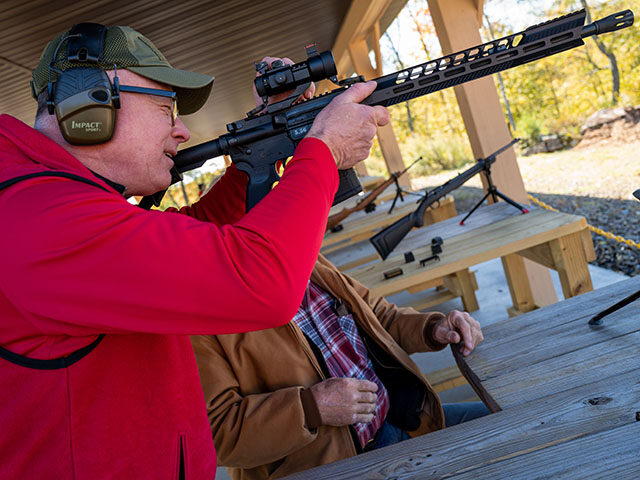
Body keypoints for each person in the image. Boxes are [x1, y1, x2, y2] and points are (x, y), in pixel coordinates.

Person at [0, 23, 389, 479]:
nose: (182, 131)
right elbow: (264, 286)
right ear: (88, 102)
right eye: (167, 109)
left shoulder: (46, 202)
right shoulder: (38, 220)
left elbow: (184, 238)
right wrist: (324, 150)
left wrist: (266, 148)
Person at [192, 254, 488, 480]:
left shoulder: (308, 260)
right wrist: (311, 408)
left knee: (508, 421)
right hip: (337, 468)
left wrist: (434, 327)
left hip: (400, 423)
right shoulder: (203, 318)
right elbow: (216, 435)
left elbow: (380, 317)